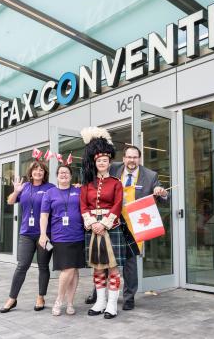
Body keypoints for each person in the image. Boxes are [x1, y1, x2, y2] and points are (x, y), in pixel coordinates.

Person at [85, 145, 168, 311]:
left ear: (139, 159)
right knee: (104, 258)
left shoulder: (150, 176)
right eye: (129, 157)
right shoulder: (113, 167)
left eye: (135, 157)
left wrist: (162, 192)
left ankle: (129, 297)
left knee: (130, 262)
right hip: (111, 221)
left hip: (133, 224)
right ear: (123, 159)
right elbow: (95, 170)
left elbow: (164, 195)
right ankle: (98, 295)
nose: (131, 160)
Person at [80, 127, 124, 319]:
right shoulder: (87, 185)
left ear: (109, 162)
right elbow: (83, 205)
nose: (102, 163)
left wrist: (104, 224)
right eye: (99, 161)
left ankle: (112, 304)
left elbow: (117, 205)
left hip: (110, 227)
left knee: (113, 268)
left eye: (105, 160)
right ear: (95, 162)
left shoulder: (116, 183)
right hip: (92, 228)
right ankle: (100, 302)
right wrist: (91, 223)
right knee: (98, 267)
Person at [0, 160, 54, 313]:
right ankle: (12, 298)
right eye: (35, 170)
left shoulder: (50, 188)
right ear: (30, 172)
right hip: (26, 234)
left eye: (41, 170)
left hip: (45, 235)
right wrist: (16, 191)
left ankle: (40, 297)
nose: (38, 172)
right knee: (22, 266)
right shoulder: (24, 187)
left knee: (43, 266)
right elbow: (10, 201)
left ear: (45, 173)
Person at [39, 164, 85, 316]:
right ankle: (59, 300)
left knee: (75, 270)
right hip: (60, 237)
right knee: (68, 269)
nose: (64, 175)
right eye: (61, 172)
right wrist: (43, 234)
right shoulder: (50, 193)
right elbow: (44, 215)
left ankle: (70, 302)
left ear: (71, 176)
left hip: (78, 236)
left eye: (67, 172)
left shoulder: (78, 191)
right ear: (57, 176)